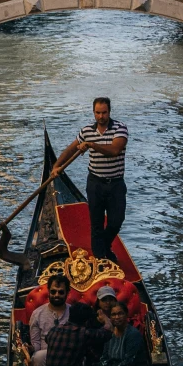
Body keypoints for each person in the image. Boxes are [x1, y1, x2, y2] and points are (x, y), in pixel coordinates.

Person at [51, 98, 129, 263]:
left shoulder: (120, 129)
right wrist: (56, 166)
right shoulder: (86, 131)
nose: (101, 116)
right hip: (95, 184)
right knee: (96, 224)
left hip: (115, 184)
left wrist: (92, 145)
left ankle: (104, 247)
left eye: (104, 112)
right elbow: (71, 149)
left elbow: (114, 150)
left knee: (116, 221)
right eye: (98, 113)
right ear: (94, 112)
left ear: (109, 111)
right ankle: (100, 258)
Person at [84, 301, 149, 366]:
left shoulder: (133, 334)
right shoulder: (110, 333)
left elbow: (127, 363)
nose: (117, 317)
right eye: (113, 315)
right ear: (110, 317)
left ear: (126, 315)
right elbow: (105, 358)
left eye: (120, 314)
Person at [27, 274, 70, 366]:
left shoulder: (74, 312)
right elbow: (36, 344)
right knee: (37, 357)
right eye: (53, 291)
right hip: (45, 355)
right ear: (49, 292)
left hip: (69, 353)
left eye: (61, 292)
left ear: (67, 293)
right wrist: (30, 349)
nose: (56, 295)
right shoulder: (37, 314)